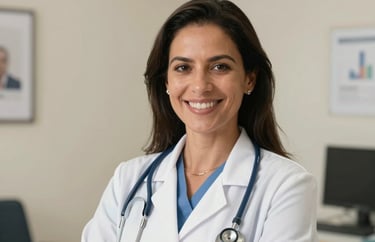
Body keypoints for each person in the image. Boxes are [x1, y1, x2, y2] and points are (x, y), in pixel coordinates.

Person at [82, 0, 317, 241]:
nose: (200, 86)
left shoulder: (286, 186)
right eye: (183, 67)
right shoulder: (128, 180)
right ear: (166, 82)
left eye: (219, 66)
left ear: (249, 79)